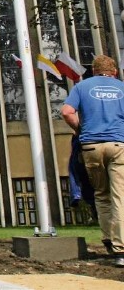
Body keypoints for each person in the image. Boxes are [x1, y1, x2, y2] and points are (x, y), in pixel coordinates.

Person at [62, 54, 124, 265]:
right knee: (120, 196)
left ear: (95, 71)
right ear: (114, 71)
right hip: (118, 145)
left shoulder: (82, 87)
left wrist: (80, 130)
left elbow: (67, 111)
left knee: (102, 194)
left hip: (91, 146)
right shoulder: (121, 87)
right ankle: (121, 249)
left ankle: (108, 239)